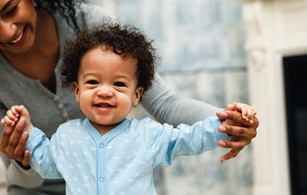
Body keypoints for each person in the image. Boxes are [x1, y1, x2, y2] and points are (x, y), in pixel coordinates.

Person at [0, 0, 258, 194]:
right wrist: (26, 132)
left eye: (10, 10)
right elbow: (42, 161)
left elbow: (188, 135)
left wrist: (227, 123)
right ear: (76, 90)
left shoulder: (149, 135)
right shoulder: (66, 138)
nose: (7, 32)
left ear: (137, 96)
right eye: (92, 82)